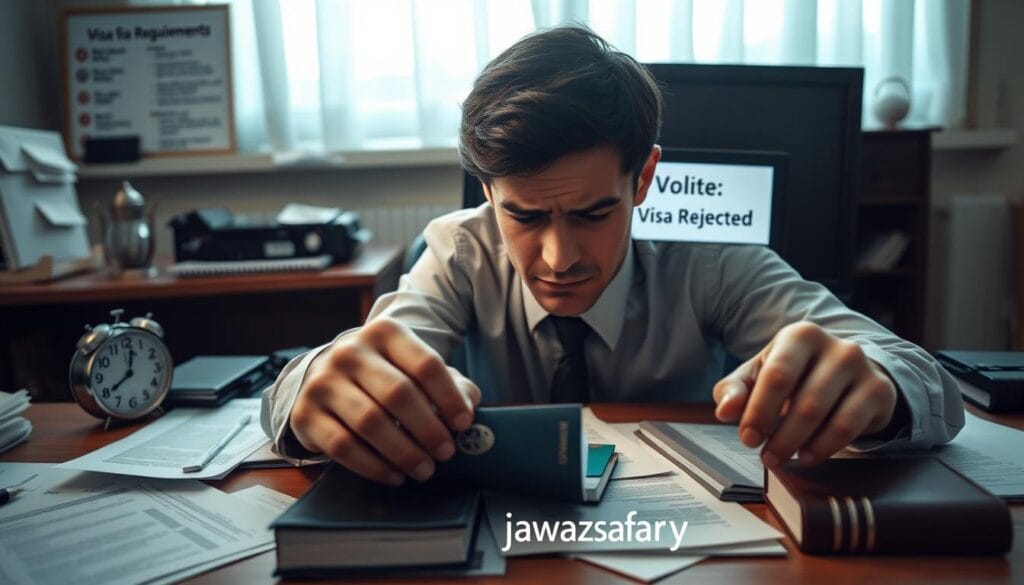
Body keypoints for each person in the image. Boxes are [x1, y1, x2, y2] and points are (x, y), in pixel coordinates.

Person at [260, 26, 964, 487]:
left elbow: (930, 382)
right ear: (487, 191)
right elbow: (353, 368)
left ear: (645, 177)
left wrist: (879, 386)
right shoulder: (458, 249)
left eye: (594, 213)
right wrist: (319, 383)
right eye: (523, 216)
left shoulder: (714, 258)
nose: (559, 258)